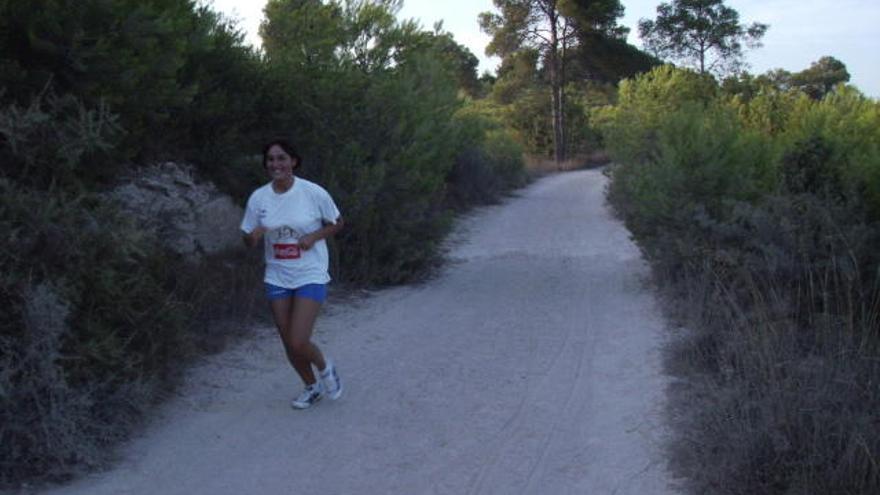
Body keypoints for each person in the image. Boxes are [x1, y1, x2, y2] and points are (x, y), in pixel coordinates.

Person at [240, 139, 345, 409]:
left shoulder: (312, 192)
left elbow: (337, 223)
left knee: (299, 339)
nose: (276, 164)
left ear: (293, 162)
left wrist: (313, 236)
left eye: (281, 158)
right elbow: (248, 239)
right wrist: (254, 235)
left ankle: (324, 367)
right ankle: (311, 387)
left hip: (310, 271)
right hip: (277, 274)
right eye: (271, 160)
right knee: (288, 341)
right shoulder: (259, 198)